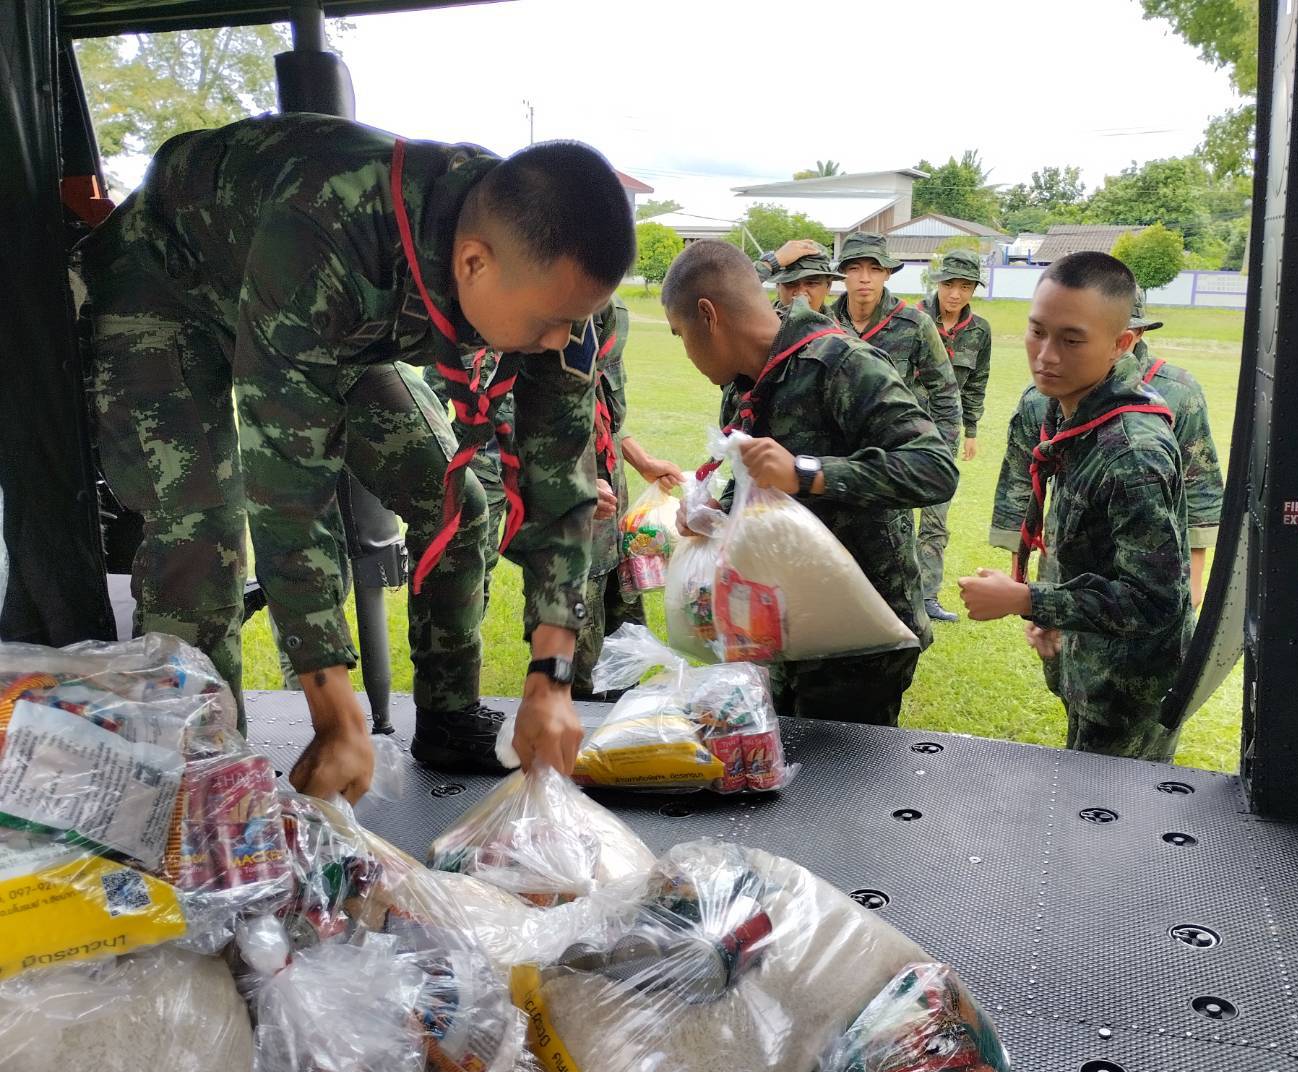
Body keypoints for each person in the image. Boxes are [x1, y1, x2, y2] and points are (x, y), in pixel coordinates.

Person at [80, 113, 636, 800]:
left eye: (575, 322)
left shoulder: (560, 286)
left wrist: (550, 680)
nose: (560, 341)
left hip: (333, 326)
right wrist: (335, 711)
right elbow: (289, 484)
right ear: (473, 263)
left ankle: (448, 713)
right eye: (550, 324)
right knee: (201, 530)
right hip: (169, 291)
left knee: (454, 503)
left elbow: (559, 479)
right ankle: (198, 776)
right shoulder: (328, 232)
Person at [661, 240, 957, 726]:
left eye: (680, 333)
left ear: (708, 316)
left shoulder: (842, 363)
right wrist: (716, 514)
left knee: (842, 772)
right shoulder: (745, 383)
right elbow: (756, 479)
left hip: (859, 637)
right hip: (784, 623)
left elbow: (933, 468)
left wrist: (808, 473)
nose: (685, 350)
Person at [960, 252, 1192, 762]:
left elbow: (1154, 602)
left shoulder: (1131, 451)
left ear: (1121, 343)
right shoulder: (1067, 409)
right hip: (1089, 655)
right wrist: (1053, 608)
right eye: (1037, 331)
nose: (1046, 355)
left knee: (1113, 804)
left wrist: (1028, 600)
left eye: (1071, 340)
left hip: (1128, 685)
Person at [990, 286, 1223, 605]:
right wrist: (1023, 581)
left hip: (1149, 564)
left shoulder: (1177, 393)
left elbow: (1198, 483)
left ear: (1135, 335)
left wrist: (1194, 578)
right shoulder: (1045, 395)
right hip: (1064, 564)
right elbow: (1020, 478)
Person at [831, 232, 962, 624]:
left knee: (892, 555)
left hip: (892, 458)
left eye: (874, 269)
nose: (864, 278)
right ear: (842, 274)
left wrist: (939, 456)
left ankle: (908, 619)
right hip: (836, 458)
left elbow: (945, 391)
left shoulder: (914, 324)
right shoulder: (823, 321)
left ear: (887, 274)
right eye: (855, 268)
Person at [574, 293, 683, 697]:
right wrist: (572, 484)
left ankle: (623, 709)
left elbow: (602, 405)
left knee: (622, 608)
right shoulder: (534, 310)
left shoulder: (611, 311)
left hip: (610, 490)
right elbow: (509, 420)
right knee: (577, 625)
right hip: (567, 503)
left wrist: (641, 461)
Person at [916, 249, 993, 621]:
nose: (955, 294)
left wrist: (971, 428)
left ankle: (926, 596)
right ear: (938, 283)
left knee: (935, 519)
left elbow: (977, 381)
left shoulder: (980, 331)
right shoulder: (911, 319)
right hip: (902, 432)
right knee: (891, 518)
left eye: (965, 287)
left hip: (945, 437)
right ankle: (888, 595)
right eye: (949, 285)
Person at [768, 249, 843, 317]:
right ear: (778, 286)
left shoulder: (841, 325)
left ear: (828, 286)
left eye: (811, 283)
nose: (800, 294)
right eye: (791, 283)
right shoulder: (762, 324)